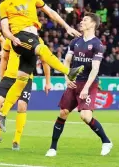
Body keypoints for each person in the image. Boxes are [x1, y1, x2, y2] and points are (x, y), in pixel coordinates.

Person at [0, 0, 84, 132]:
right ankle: (68, 71)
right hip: (20, 37)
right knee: (42, 49)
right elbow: (5, 28)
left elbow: (50, 12)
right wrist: (11, 37)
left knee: (21, 79)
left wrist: (67, 26)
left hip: (31, 37)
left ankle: (3, 113)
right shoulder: (4, 5)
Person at [45, 13, 113, 157]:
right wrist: (66, 78)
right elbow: (67, 61)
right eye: (82, 20)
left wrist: (87, 88)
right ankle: (52, 148)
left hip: (89, 83)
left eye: (85, 20)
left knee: (85, 116)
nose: (81, 22)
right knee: (63, 112)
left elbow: (95, 69)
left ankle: (106, 141)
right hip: (74, 81)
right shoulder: (74, 42)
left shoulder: (97, 44)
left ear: (93, 24)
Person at [0, 38, 51, 150]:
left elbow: (45, 61)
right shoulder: (10, 39)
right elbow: (4, 59)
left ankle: (16, 140)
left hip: (25, 77)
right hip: (9, 77)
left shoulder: (38, 40)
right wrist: (1, 78)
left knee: (22, 106)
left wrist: (48, 82)